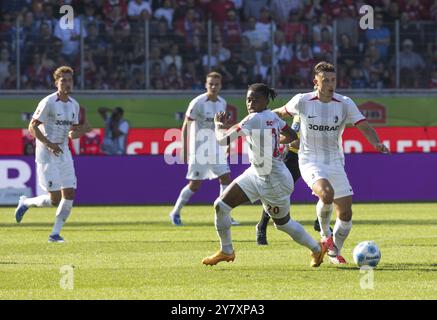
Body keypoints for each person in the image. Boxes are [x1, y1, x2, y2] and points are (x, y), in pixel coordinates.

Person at [273, 61, 390, 264]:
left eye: (333, 80)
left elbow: (364, 125)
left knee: (345, 212)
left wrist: (376, 142)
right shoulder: (302, 101)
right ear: (316, 82)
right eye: (325, 80)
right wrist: (260, 118)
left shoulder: (344, 103)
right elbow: (280, 113)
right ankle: (325, 236)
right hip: (309, 159)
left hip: (335, 161)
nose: (330, 84)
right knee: (326, 194)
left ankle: (334, 251)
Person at [202, 83, 327, 268]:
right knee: (221, 205)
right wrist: (274, 141)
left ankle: (316, 248)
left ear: (266, 101)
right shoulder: (273, 117)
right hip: (256, 173)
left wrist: (218, 125)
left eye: (255, 99)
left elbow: (222, 139)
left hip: (274, 181)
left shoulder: (253, 119)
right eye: (248, 99)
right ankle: (227, 251)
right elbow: (292, 135)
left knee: (283, 224)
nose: (250, 103)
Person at [14, 66, 92, 242]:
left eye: (70, 80)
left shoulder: (74, 105)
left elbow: (72, 132)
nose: (67, 83)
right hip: (46, 154)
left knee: (70, 194)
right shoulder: (48, 102)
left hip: (64, 153)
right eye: (63, 80)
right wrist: (49, 144)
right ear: (56, 82)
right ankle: (26, 202)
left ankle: (55, 234)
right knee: (55, 199)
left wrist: (82, 131)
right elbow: (32, 127)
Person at [169, 72, 239, 226]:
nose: (213, 87)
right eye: (210, 84)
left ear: (221, 86)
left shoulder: (222, 102)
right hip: (199, 148)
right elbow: (186, 125)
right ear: (206, 85)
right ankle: (175, 212)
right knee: (195, 184)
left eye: (216, 84)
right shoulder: (197, 102)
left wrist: (226, 145)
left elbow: (220, 127)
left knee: (226, 177)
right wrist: (185, 148)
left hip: (216, 148)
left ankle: (224, 214)